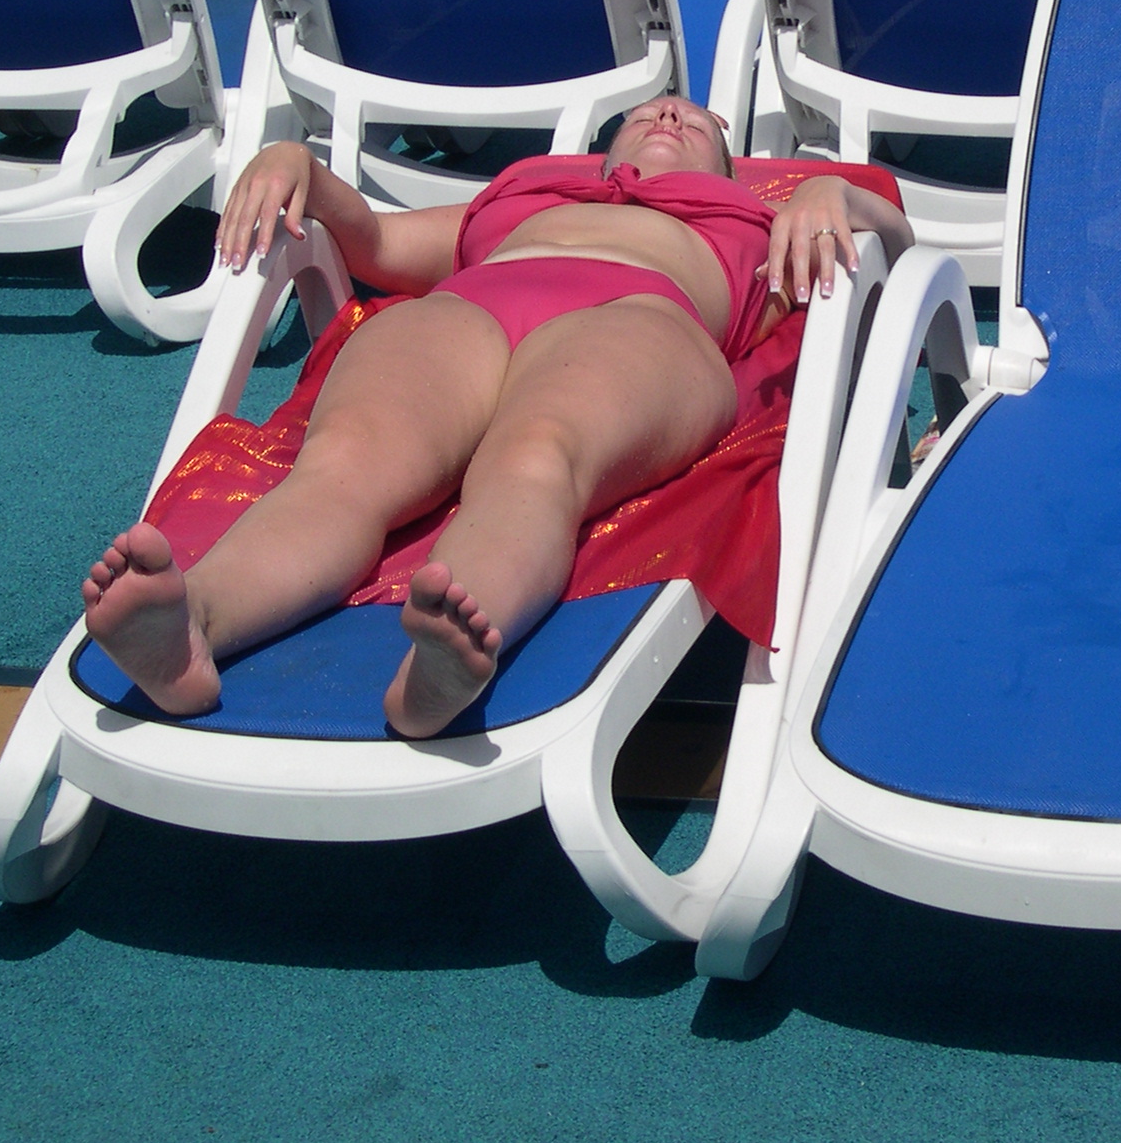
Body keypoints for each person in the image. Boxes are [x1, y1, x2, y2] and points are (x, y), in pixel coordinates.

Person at [81, 95, 913, 738]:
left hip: (640, 318)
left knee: (539, 457)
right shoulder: (520, 194)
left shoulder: (766, 221)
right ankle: (193, 623)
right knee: (346, 467)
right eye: (654, 110)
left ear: (729, 169)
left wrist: (835, 193)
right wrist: (296, 158)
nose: (669, 112)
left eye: (695, 121)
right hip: (469, 311)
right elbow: (371, 243)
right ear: (604, 146)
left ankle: (456, 645)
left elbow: (898, 243)